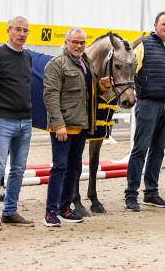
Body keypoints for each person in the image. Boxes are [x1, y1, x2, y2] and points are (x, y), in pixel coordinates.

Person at [42, 28, 111, 227]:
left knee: (74, 168)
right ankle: (50, 212)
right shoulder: (56, 64)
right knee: (60, 167)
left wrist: (102, 86)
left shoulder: (86, 63)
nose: (79, 45)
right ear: (66, 42)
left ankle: (65, 208)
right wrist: (59, 124)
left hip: (81, 126)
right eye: (75, 42)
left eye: (82, 42)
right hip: (63, 127)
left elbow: (88, 92)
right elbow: (51, 96)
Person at [124, 11, 165, 212]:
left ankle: (151, 192)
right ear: (155, 25)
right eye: (164, 24)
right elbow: (130, 71)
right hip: (148, 103)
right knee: (140, 149)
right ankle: (131, 194)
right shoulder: (144, 45)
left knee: (158, 150)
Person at [0, 16, 34, 229]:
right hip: (2, 120)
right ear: (9, 30)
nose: (22, 34)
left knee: (18, 169)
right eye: (18, 30)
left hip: (25, 122)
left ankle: (10, 211)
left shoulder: (27, 57)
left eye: (25, 30)